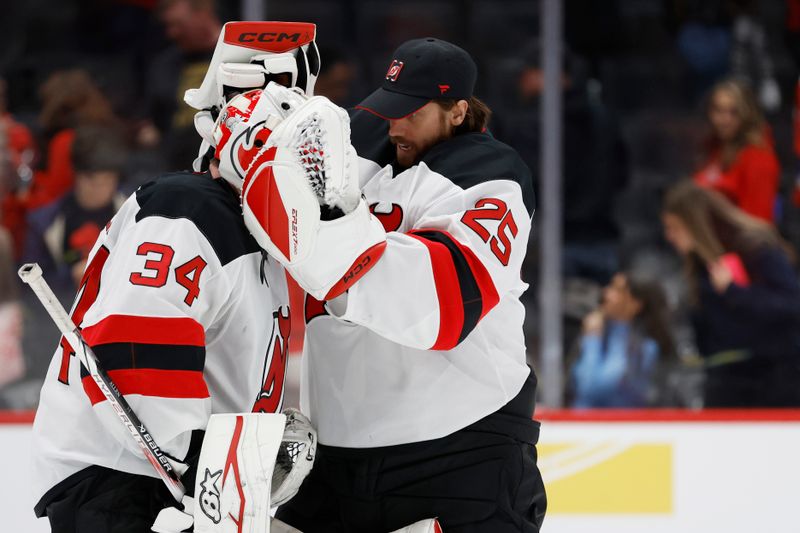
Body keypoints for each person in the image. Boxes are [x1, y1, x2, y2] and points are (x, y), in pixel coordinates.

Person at [29, 21, 321, 532]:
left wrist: (246, 455)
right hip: (129, 486)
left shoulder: (249, 232)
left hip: (177, 486)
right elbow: (136, 351)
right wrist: (208, 459)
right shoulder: (186, 211)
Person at [274, 37, 547, 533]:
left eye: (412, 113)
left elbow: (443, 305)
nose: (395, 125)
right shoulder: (355, 140)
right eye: (390, 108)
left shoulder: (494, 178)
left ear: (458, 111)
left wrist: (329, 232)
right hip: (337, 458)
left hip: (461, 454)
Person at [662, 181, 800, 407]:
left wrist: (734, 292)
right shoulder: (699, 266)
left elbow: (790, 306)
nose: (669, 236)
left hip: (772, 377)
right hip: (724, 379)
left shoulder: (755, 249)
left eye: (674, 227)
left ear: (695, 223)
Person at [22, 125, 128, 296]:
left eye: (107, 180)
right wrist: (69, 278)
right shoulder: (45, 222)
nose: (99, 188)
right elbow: (29, 285)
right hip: (66, 310)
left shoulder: (136, 215)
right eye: (91, 179)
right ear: (76, 174)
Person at [569, 272, 675, 408]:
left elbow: (589, 388)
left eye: (617, 290)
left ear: (635, 304)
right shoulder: (599, 330)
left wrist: (592, 341)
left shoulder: (645, 347)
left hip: (620, 425)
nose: (606, 293)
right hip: (579, 423)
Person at [142, 0, 222, 169]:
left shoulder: (240, 56)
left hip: (228, 162)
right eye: (168, 26)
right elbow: (156, 124)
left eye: (178, 24)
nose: (172, 33)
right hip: (176, 168)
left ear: (202, 12)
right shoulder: (164, 65)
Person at [693, 78, 780, 223]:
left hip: (735, 244)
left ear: (747, 114)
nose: (724, 120)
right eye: (718, 110)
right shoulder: (711, 148)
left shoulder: (758, 158)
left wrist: (717, 204)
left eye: (734, 112)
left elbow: (760, 228)